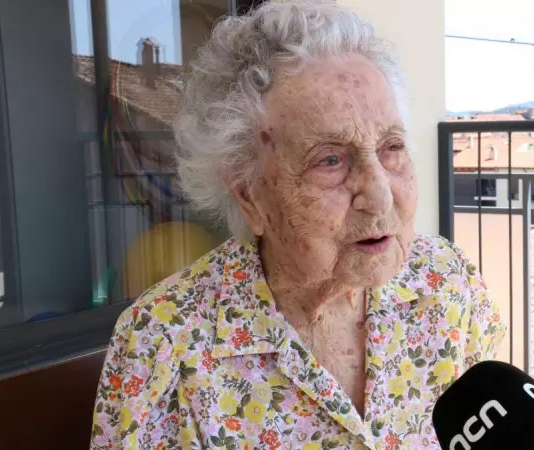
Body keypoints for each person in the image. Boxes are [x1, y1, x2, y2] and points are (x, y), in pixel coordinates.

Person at [90, 1, 506, 449]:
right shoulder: (162, 342)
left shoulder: (447, 282)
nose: (381, 195)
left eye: (392, 147)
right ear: (249, 194)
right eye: (330, 160)